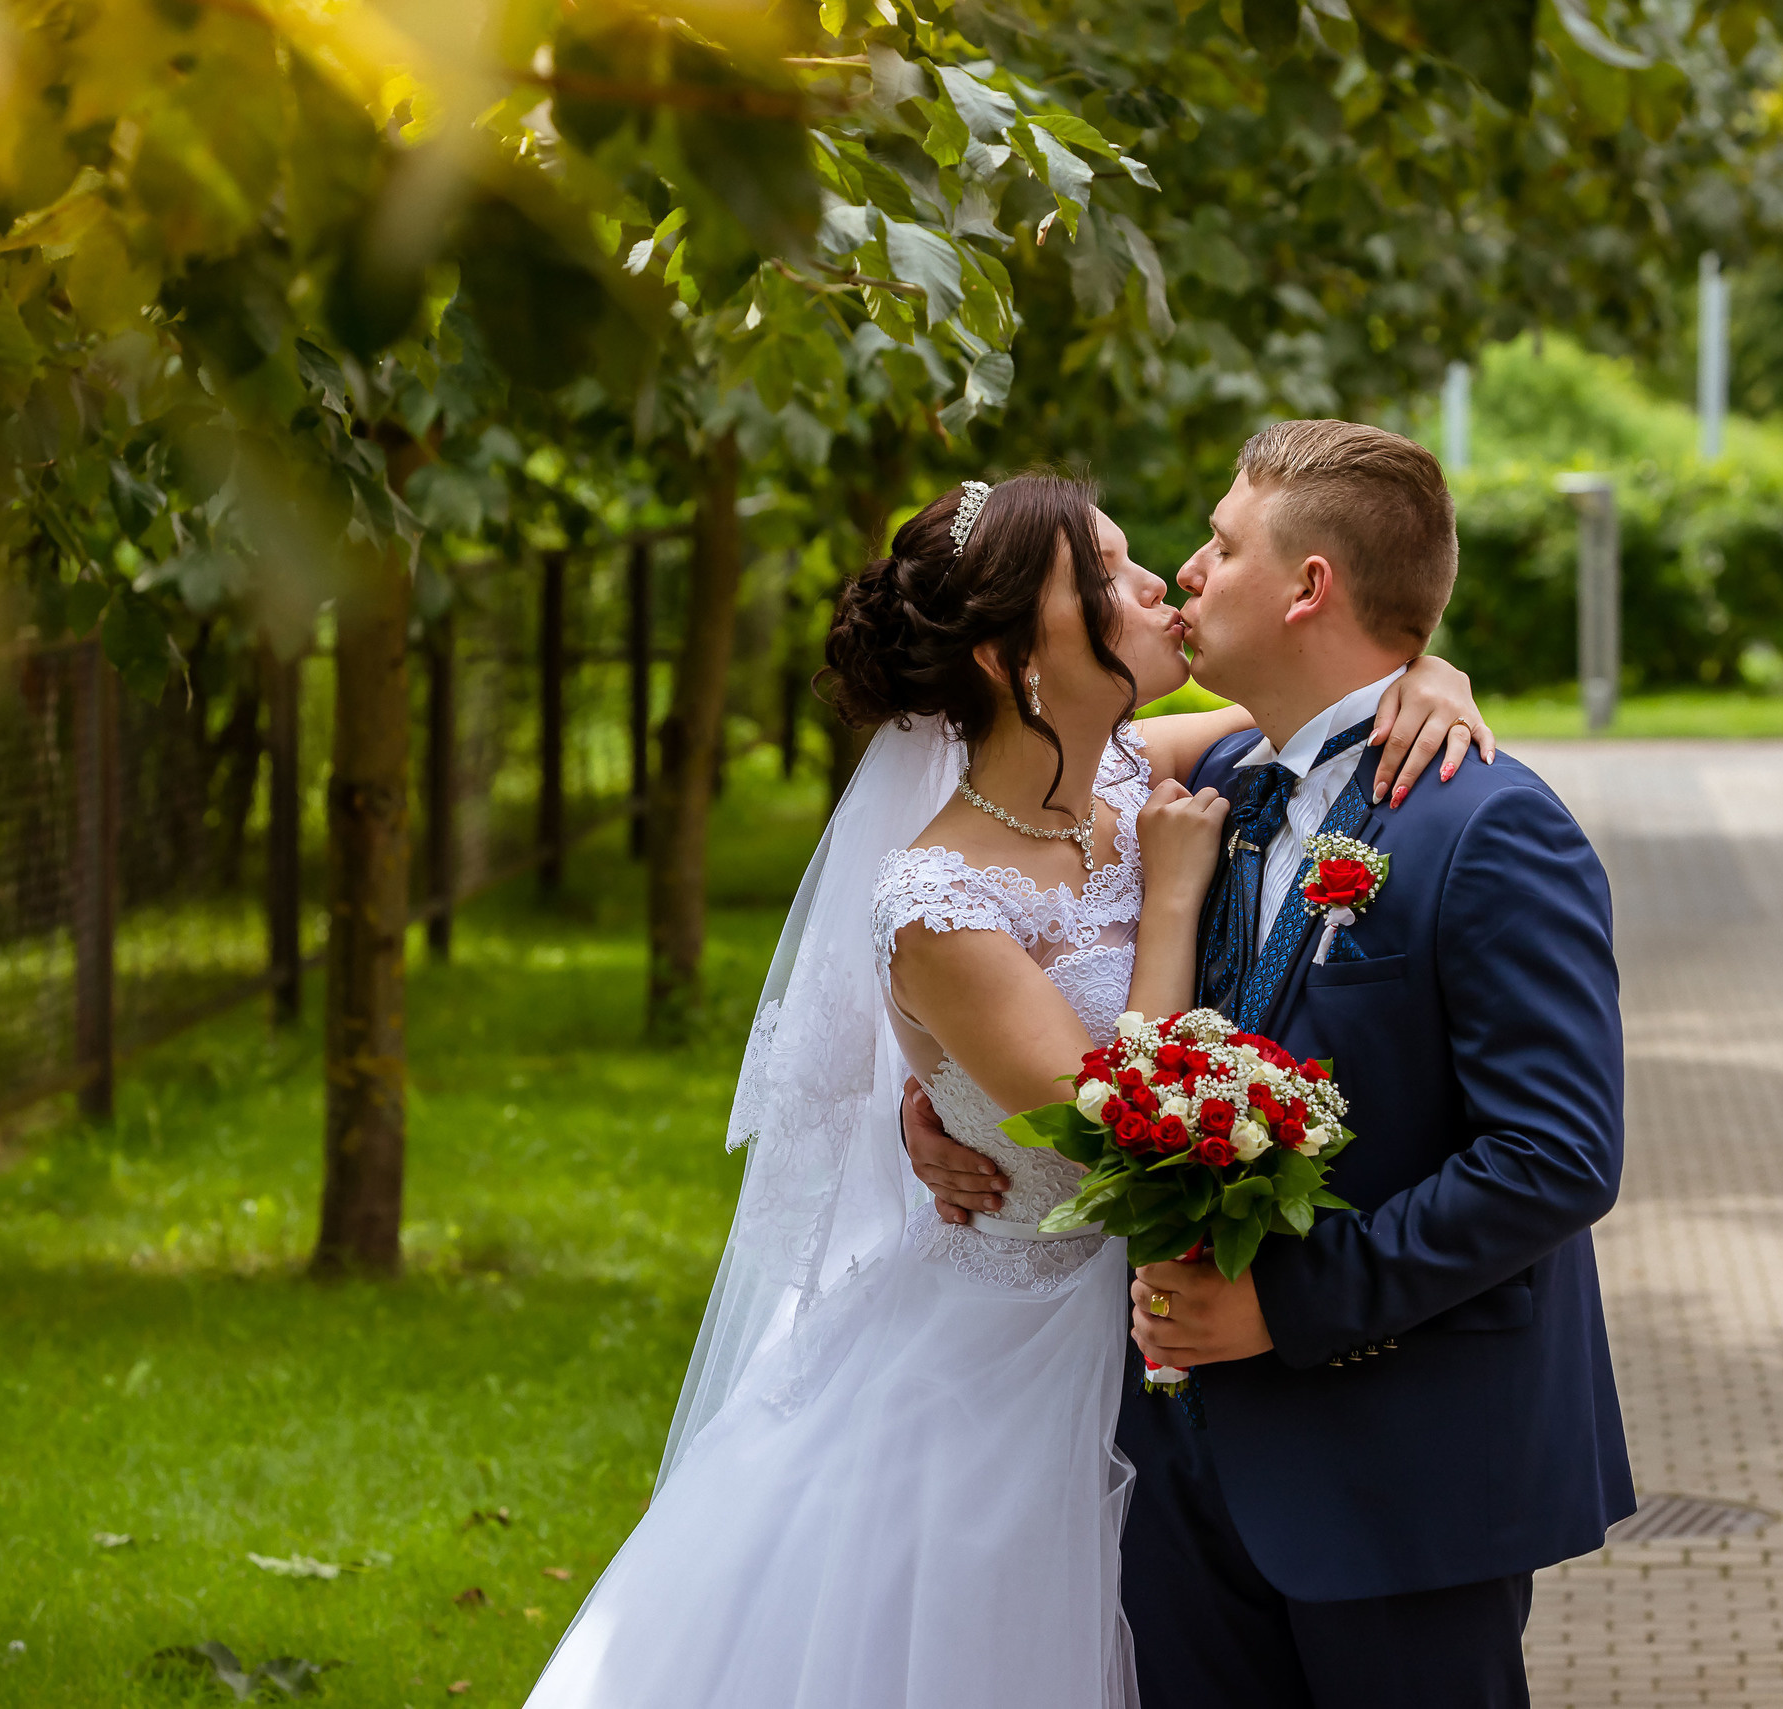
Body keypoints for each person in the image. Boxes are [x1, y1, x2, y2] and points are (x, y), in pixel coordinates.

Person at [516, 469, 1494, 1708]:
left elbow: (1318, 718)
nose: (1158, 585)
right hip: (1010, 1374)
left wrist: (1430, 674)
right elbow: (1127, 1145)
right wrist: (1174, 894)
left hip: (1162, 1350)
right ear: (1010, 658)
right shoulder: (939, 900)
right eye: (1106, 575)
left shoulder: (1132, 770)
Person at [908, 421, 1635, 1709]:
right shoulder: (1214, 782)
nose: (1185, 571)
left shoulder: (1490, 824)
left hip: (1397, 1472)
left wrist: (1286, 1306)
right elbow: (1014, 957)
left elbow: (1554, 1158)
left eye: (1220, 545)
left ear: (1308, 589)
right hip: (1167, 1471)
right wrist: (936, 1098)